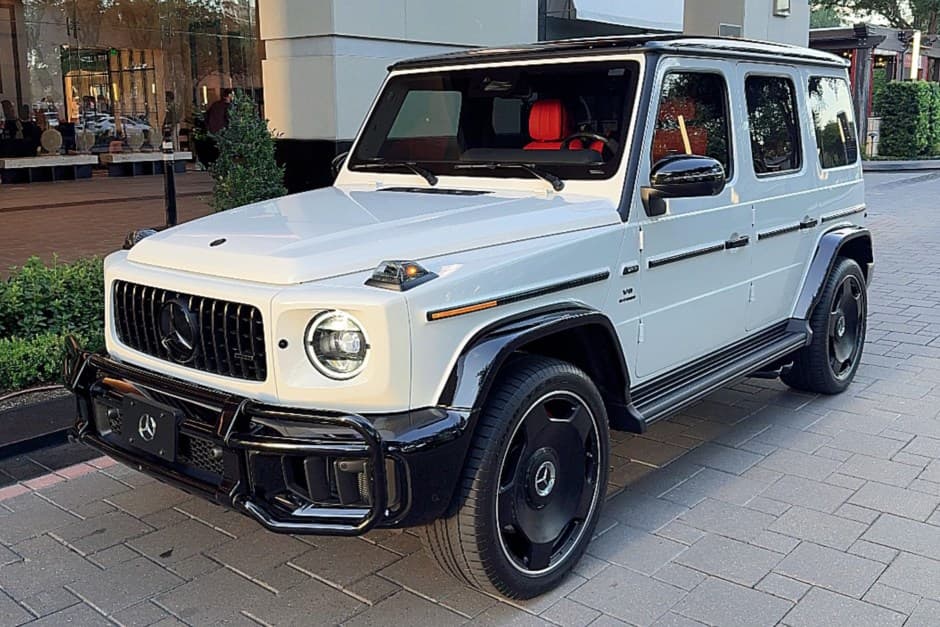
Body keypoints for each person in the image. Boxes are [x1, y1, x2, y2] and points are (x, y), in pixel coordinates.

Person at [200, 88, 233, 168]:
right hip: (222, 131)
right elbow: (229, 118)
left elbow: (206, 116)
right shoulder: (227, 106)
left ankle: (217, 164)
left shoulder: (215, 105)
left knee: (216, 150)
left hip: (213, 131)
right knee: (223, 150)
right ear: (228, 96)